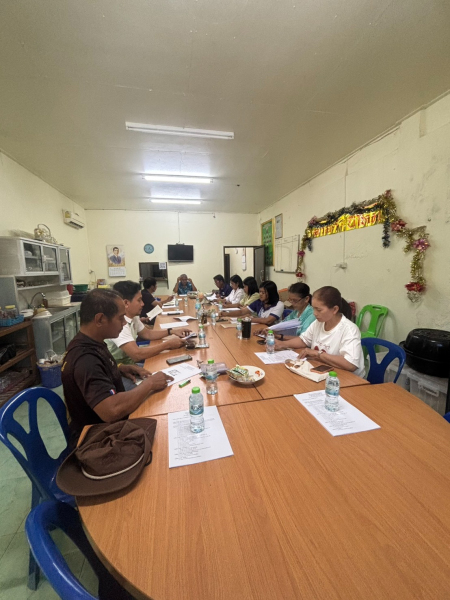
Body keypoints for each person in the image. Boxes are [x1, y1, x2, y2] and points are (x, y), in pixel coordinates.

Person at [61, 289, 174, 444]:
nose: (124, 323)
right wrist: (150, 384)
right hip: (99, 439)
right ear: (100, 319)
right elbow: (111, 411)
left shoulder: (90, 341)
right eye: (121, 318)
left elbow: (98, 373)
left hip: (110, 426)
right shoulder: (85, 360)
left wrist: (120, 368)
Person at [274, 286, 365, 376]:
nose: (314, 313)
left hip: (346, 378)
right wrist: (282, 344)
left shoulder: (349, 329)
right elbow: (304, 340)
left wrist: (317, 354)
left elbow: (350, 364)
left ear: (334, 309)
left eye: (319, 310)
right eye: (313, 308)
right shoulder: (318, 323)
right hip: (323, 372)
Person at [106, 281, 190, 377]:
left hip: (131, 366)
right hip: (118, 373)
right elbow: (137, 355)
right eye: (139, 300)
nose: (142, 304)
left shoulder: (133, 316)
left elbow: (147, 334)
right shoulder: (119, 323)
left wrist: (171, 331)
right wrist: (168, 344)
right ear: (126, 303)